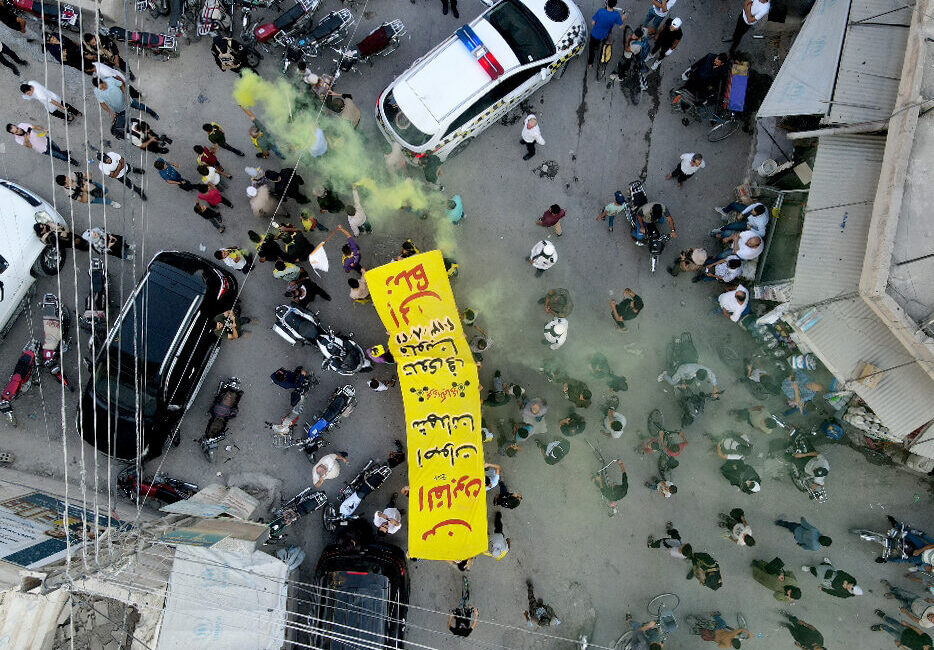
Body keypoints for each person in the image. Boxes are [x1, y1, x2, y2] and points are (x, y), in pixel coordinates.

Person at [93, 76, 159, 125]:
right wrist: (110, 112)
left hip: (127, 100)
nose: (103, 88)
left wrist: (126, 95)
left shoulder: (111, 80)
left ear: (103, 81)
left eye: (103, 86)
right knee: (125, 120)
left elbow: (121, 84)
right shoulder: (97, 91)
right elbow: (102, 103)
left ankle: (152, 113)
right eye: (100, 88)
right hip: (118, 109)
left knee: (140, 106)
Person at [7, 123, 77, 165]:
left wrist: (43, 129)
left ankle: (62, 152)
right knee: (60, 156)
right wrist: (26, 139)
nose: (19, 130)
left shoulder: (22, 125)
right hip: (43, 149)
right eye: (16, 131)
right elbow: (30, 146)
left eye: (17, 128)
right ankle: (71, 161)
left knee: (57, 148)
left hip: (46, 139)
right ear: (14, 134)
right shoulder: (18, 139)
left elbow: (34, 126)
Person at [589, 0, 626, 67]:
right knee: (602, 45)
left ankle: (590, 63)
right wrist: (623, 19)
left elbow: (593, 23)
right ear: (615, 5)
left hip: (594, 34)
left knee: (591, 49)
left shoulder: (600, 11)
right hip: (604, 35)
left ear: (607, 3)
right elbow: (621, 26)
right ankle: (600, 56)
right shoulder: (616, 15)